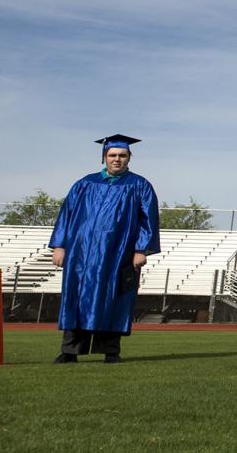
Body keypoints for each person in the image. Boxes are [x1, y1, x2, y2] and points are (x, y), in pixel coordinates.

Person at [48, 134, 161, 364]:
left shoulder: (139, 186)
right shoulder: (84, 184)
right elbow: (66, 216)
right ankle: (70, 351)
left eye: (122, 155)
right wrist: (59, 245)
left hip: (118, 253)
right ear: (104, 157)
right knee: (76, 298)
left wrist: (141, 249)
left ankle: (111, 351)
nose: (117, 159)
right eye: (112, 155)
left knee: (114, 298)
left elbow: (148, 220)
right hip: (81, 254)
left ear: (129, 157)